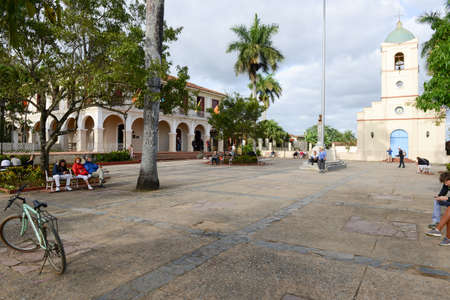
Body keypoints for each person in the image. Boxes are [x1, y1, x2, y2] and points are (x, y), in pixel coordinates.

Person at [425, 173, 450, 246]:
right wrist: (439, 197)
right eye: (444, 183)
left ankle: (438, 229)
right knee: (439, 201)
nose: (445, 184)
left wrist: (447, 198)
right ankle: (448, 238)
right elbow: (442, 192)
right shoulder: (446, 184)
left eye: (446, 182)